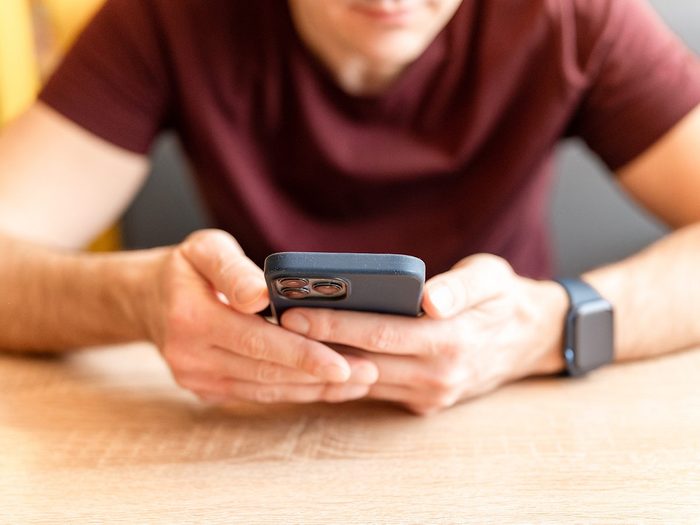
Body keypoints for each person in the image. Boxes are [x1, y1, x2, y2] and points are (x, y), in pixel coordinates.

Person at [1, 0, 699, 415]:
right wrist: (137, 301)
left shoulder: (572, 15)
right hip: (255, 435)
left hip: (515, 414)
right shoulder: (172, 14)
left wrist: (556, 327)